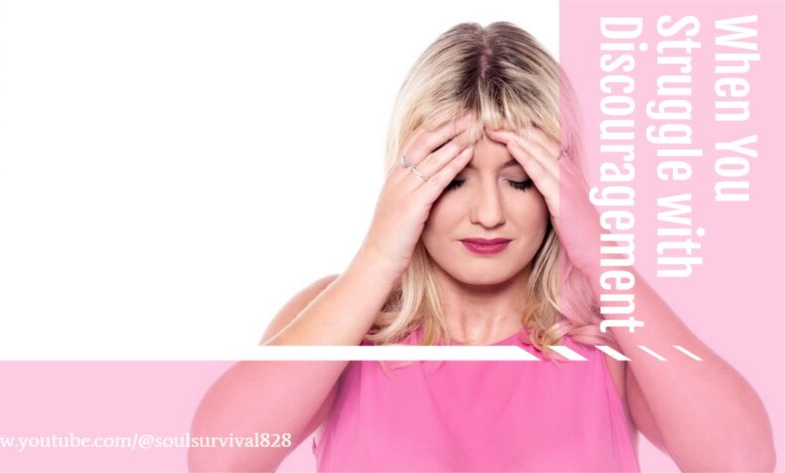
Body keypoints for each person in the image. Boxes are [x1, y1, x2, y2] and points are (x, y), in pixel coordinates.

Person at [188, 21, 776, 472]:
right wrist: (377, 257)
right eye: (454, 177)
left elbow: (744, 461)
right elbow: (219, 457)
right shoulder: (345, 321)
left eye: (520, 180)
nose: (489, 215)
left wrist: (599, 254)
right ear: (408, 178)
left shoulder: (609, 336)